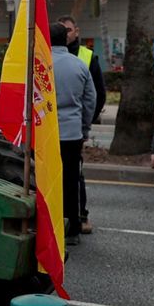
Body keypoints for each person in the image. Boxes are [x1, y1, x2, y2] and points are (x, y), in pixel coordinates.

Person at [59, 16, 106, 234]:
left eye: (69, 30)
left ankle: (80, 215)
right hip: (71, 128)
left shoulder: (87, 56)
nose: (66, 34)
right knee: (69, 174)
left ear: (76, 31)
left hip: (73, 127)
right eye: (62, 31)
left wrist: (85, 123)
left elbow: (97, 96)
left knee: (74, 175)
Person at [50, 22, 96, 246]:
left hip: (44, 134)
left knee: (42, 181)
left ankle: (46, 226)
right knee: (70, 181)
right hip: (71, 133)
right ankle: (72, 229)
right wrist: (84, 128)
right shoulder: (79, 65)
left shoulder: (37, 65)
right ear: (65, 39)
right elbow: (90, 101)